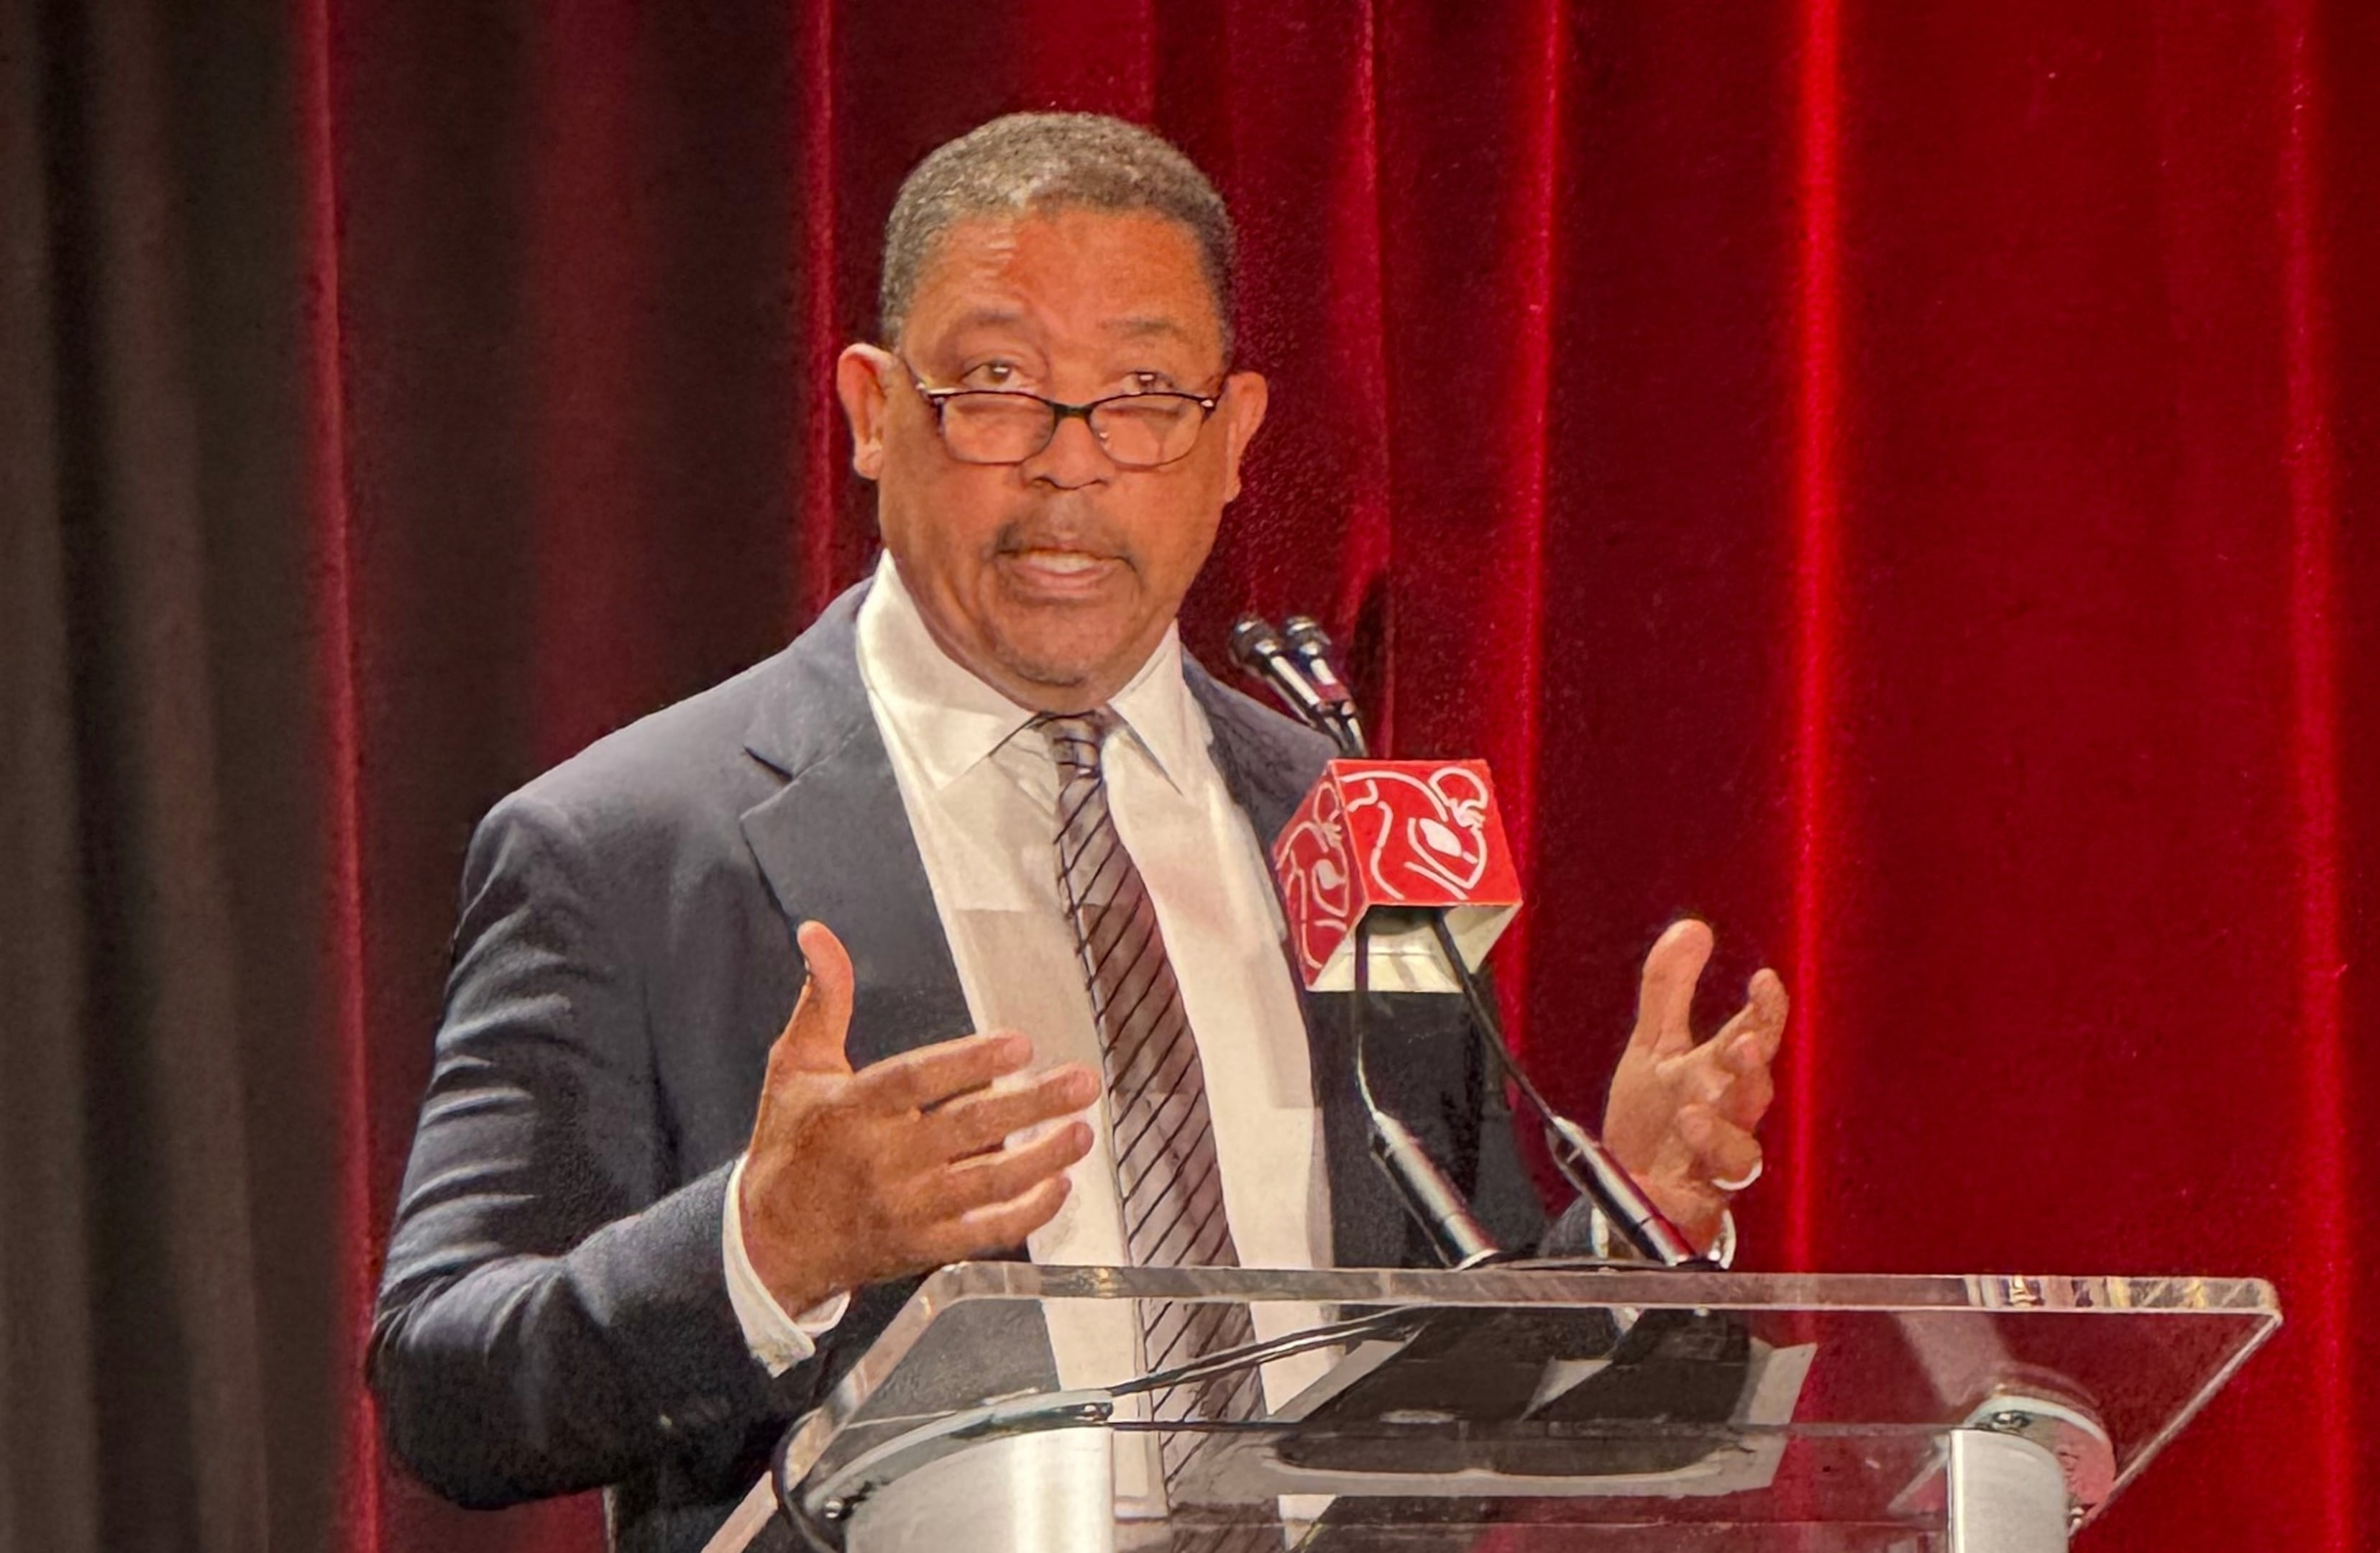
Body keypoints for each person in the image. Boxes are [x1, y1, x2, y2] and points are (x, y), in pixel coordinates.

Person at [367, 112, 1785, 1553]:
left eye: (1144, 396)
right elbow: (444, 1382)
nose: (1072, 464)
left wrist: (1622, 1232)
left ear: (1232, 440)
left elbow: (1448, 1347)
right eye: (996, 387)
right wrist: (762, 1249)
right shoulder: (631, 846)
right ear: (872, 411)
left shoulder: (1337, 814)